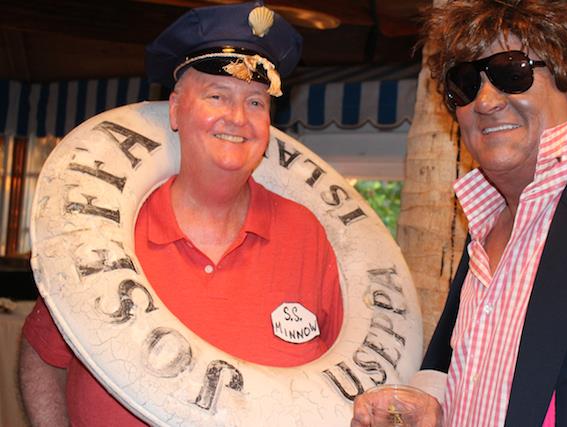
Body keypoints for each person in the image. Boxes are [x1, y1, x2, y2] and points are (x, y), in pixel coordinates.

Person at [19, 3, 343, 426]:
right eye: (216, 96)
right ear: (175, 109)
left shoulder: (305, 234)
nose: (237, 118)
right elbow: (42, 353)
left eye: (256, 102)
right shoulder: (109, 231)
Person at [352, 0, 567, 426]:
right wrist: (435, 408)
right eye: (465, 83)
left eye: (512, 72)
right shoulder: (485, 224)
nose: (485, 102)